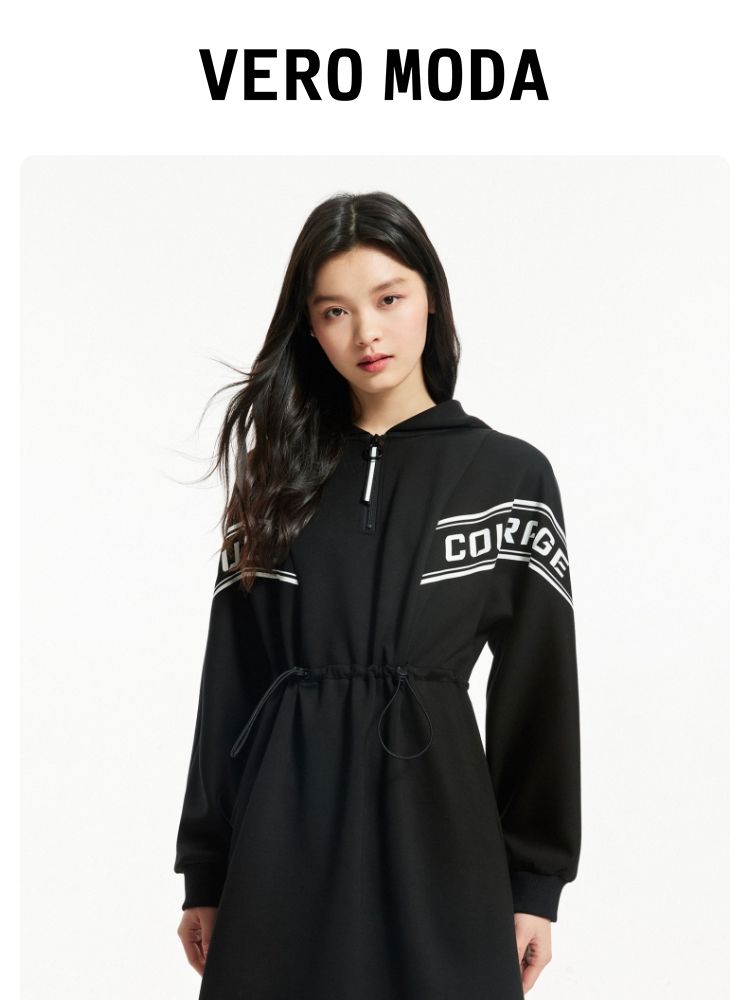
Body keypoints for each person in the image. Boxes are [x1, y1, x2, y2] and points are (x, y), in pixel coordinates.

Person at [173, 190, 582, 999]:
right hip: (282, 837)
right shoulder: (275, 480)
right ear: (310, 328)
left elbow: (538, 690)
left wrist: (535, 885)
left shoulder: (510, 476)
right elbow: (232, 683)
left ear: (431, 297)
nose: (366, 332)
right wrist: (205, 871)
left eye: (388, 299)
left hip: (441, 835)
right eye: (335, 311)